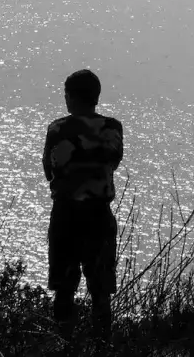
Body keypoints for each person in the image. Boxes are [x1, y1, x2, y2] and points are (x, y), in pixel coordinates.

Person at [43, 68, 125, 337]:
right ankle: (102, 346)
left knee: (64, 290)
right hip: (99, 217)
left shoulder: (57, 129)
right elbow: (112, 160)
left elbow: (49, 171)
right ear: (96, 97)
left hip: (66, 215)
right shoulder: (112, 128)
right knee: (100, 292)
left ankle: (65, 344)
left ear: (71, 97)